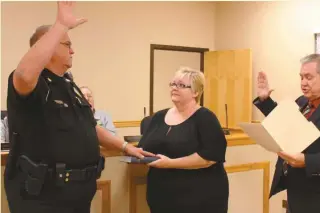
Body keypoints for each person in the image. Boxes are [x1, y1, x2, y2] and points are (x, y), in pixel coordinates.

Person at [4, 2, 153, 213]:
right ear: (48, 44)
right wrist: (60, 25)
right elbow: (23, 75)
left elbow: (88, 126)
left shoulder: (68, 85)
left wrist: (125, 147)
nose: (73, 50)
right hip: (42, 197)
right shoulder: (33, 83)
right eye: (67, 44)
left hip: (77, 195)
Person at [253, 54, 320, 213]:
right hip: (297, 194)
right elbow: (285, 124)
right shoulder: (302, 102)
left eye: (309, 77)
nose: (303, 83)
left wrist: (307, 161)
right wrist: (265, 100)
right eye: (301, 77)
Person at [138, 67, 229, 213]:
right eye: (173, 84)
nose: (175, 88)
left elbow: (210, 157)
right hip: (161, 194)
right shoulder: (158, 117)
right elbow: (145, 146)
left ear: (196, 92)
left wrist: (170, 163)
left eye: (181, 85)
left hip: (199, 196)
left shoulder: (206, 118)